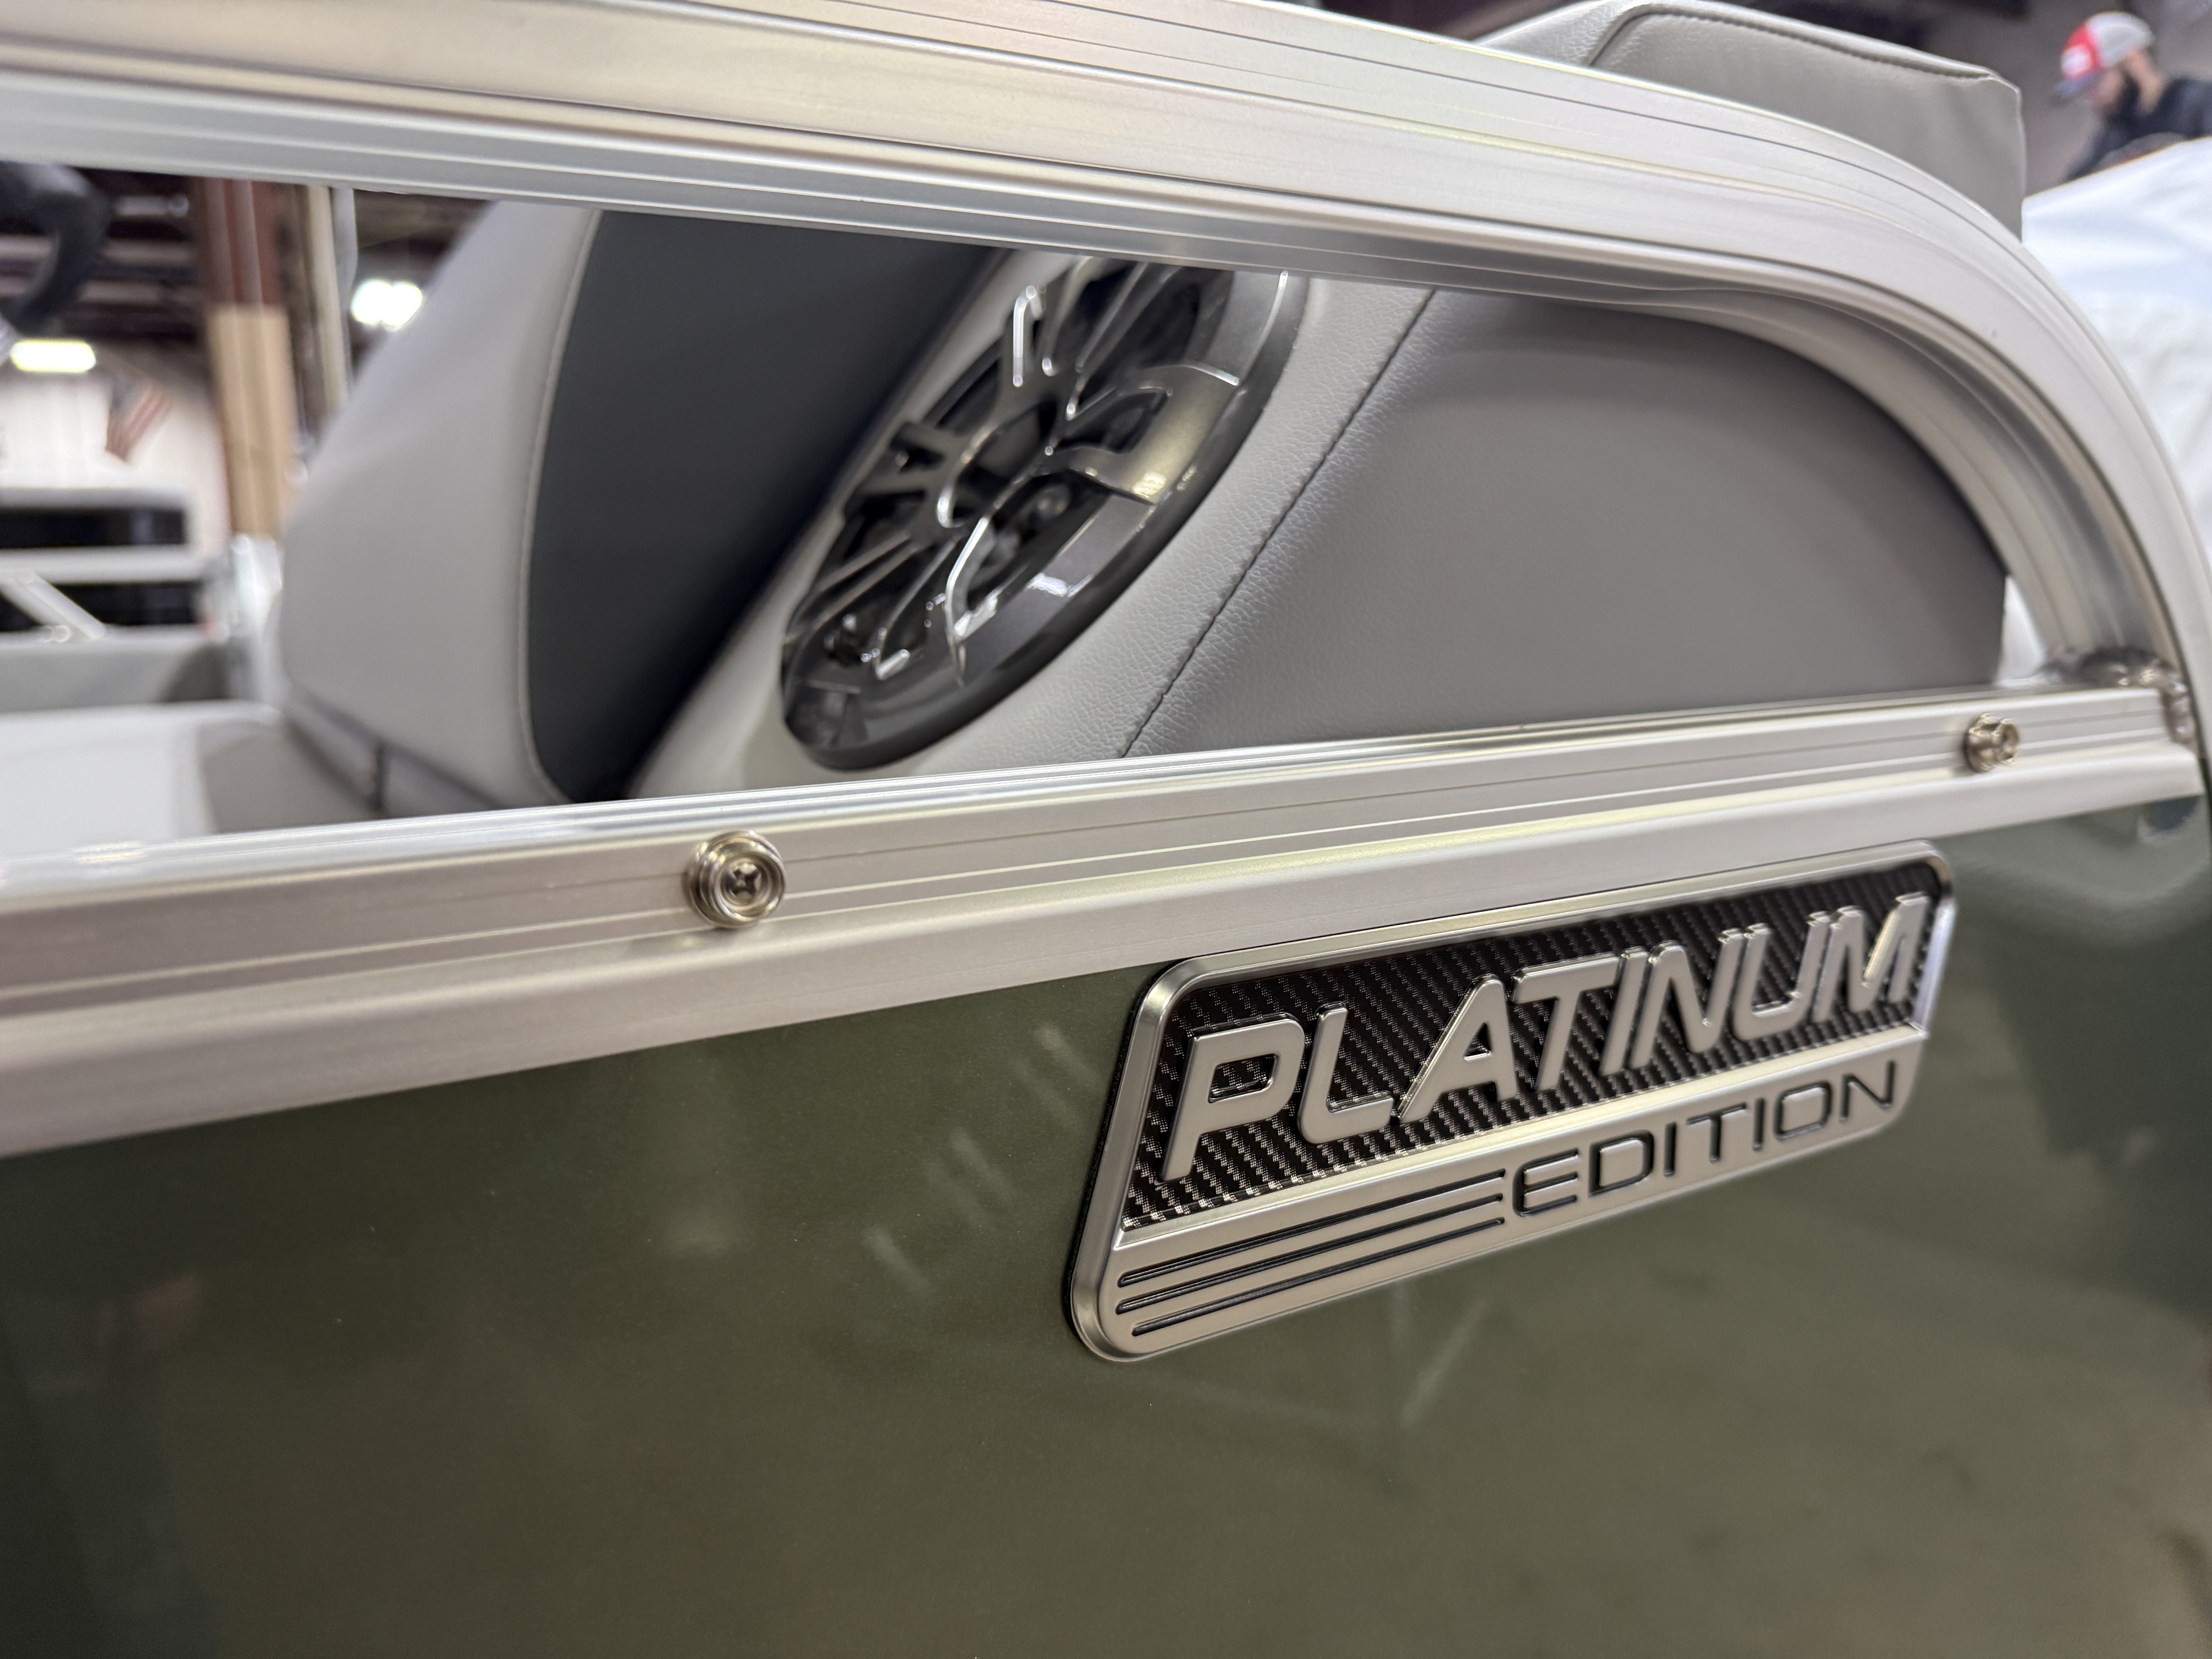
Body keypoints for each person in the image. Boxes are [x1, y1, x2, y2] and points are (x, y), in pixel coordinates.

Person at [2060, 12, 2212, 179]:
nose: (2093, 99)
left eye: (2096, 82)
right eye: (2085, 91)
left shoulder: (2202, 104)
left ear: (2135, 60)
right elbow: (2074, 188)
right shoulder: (2110, 143)